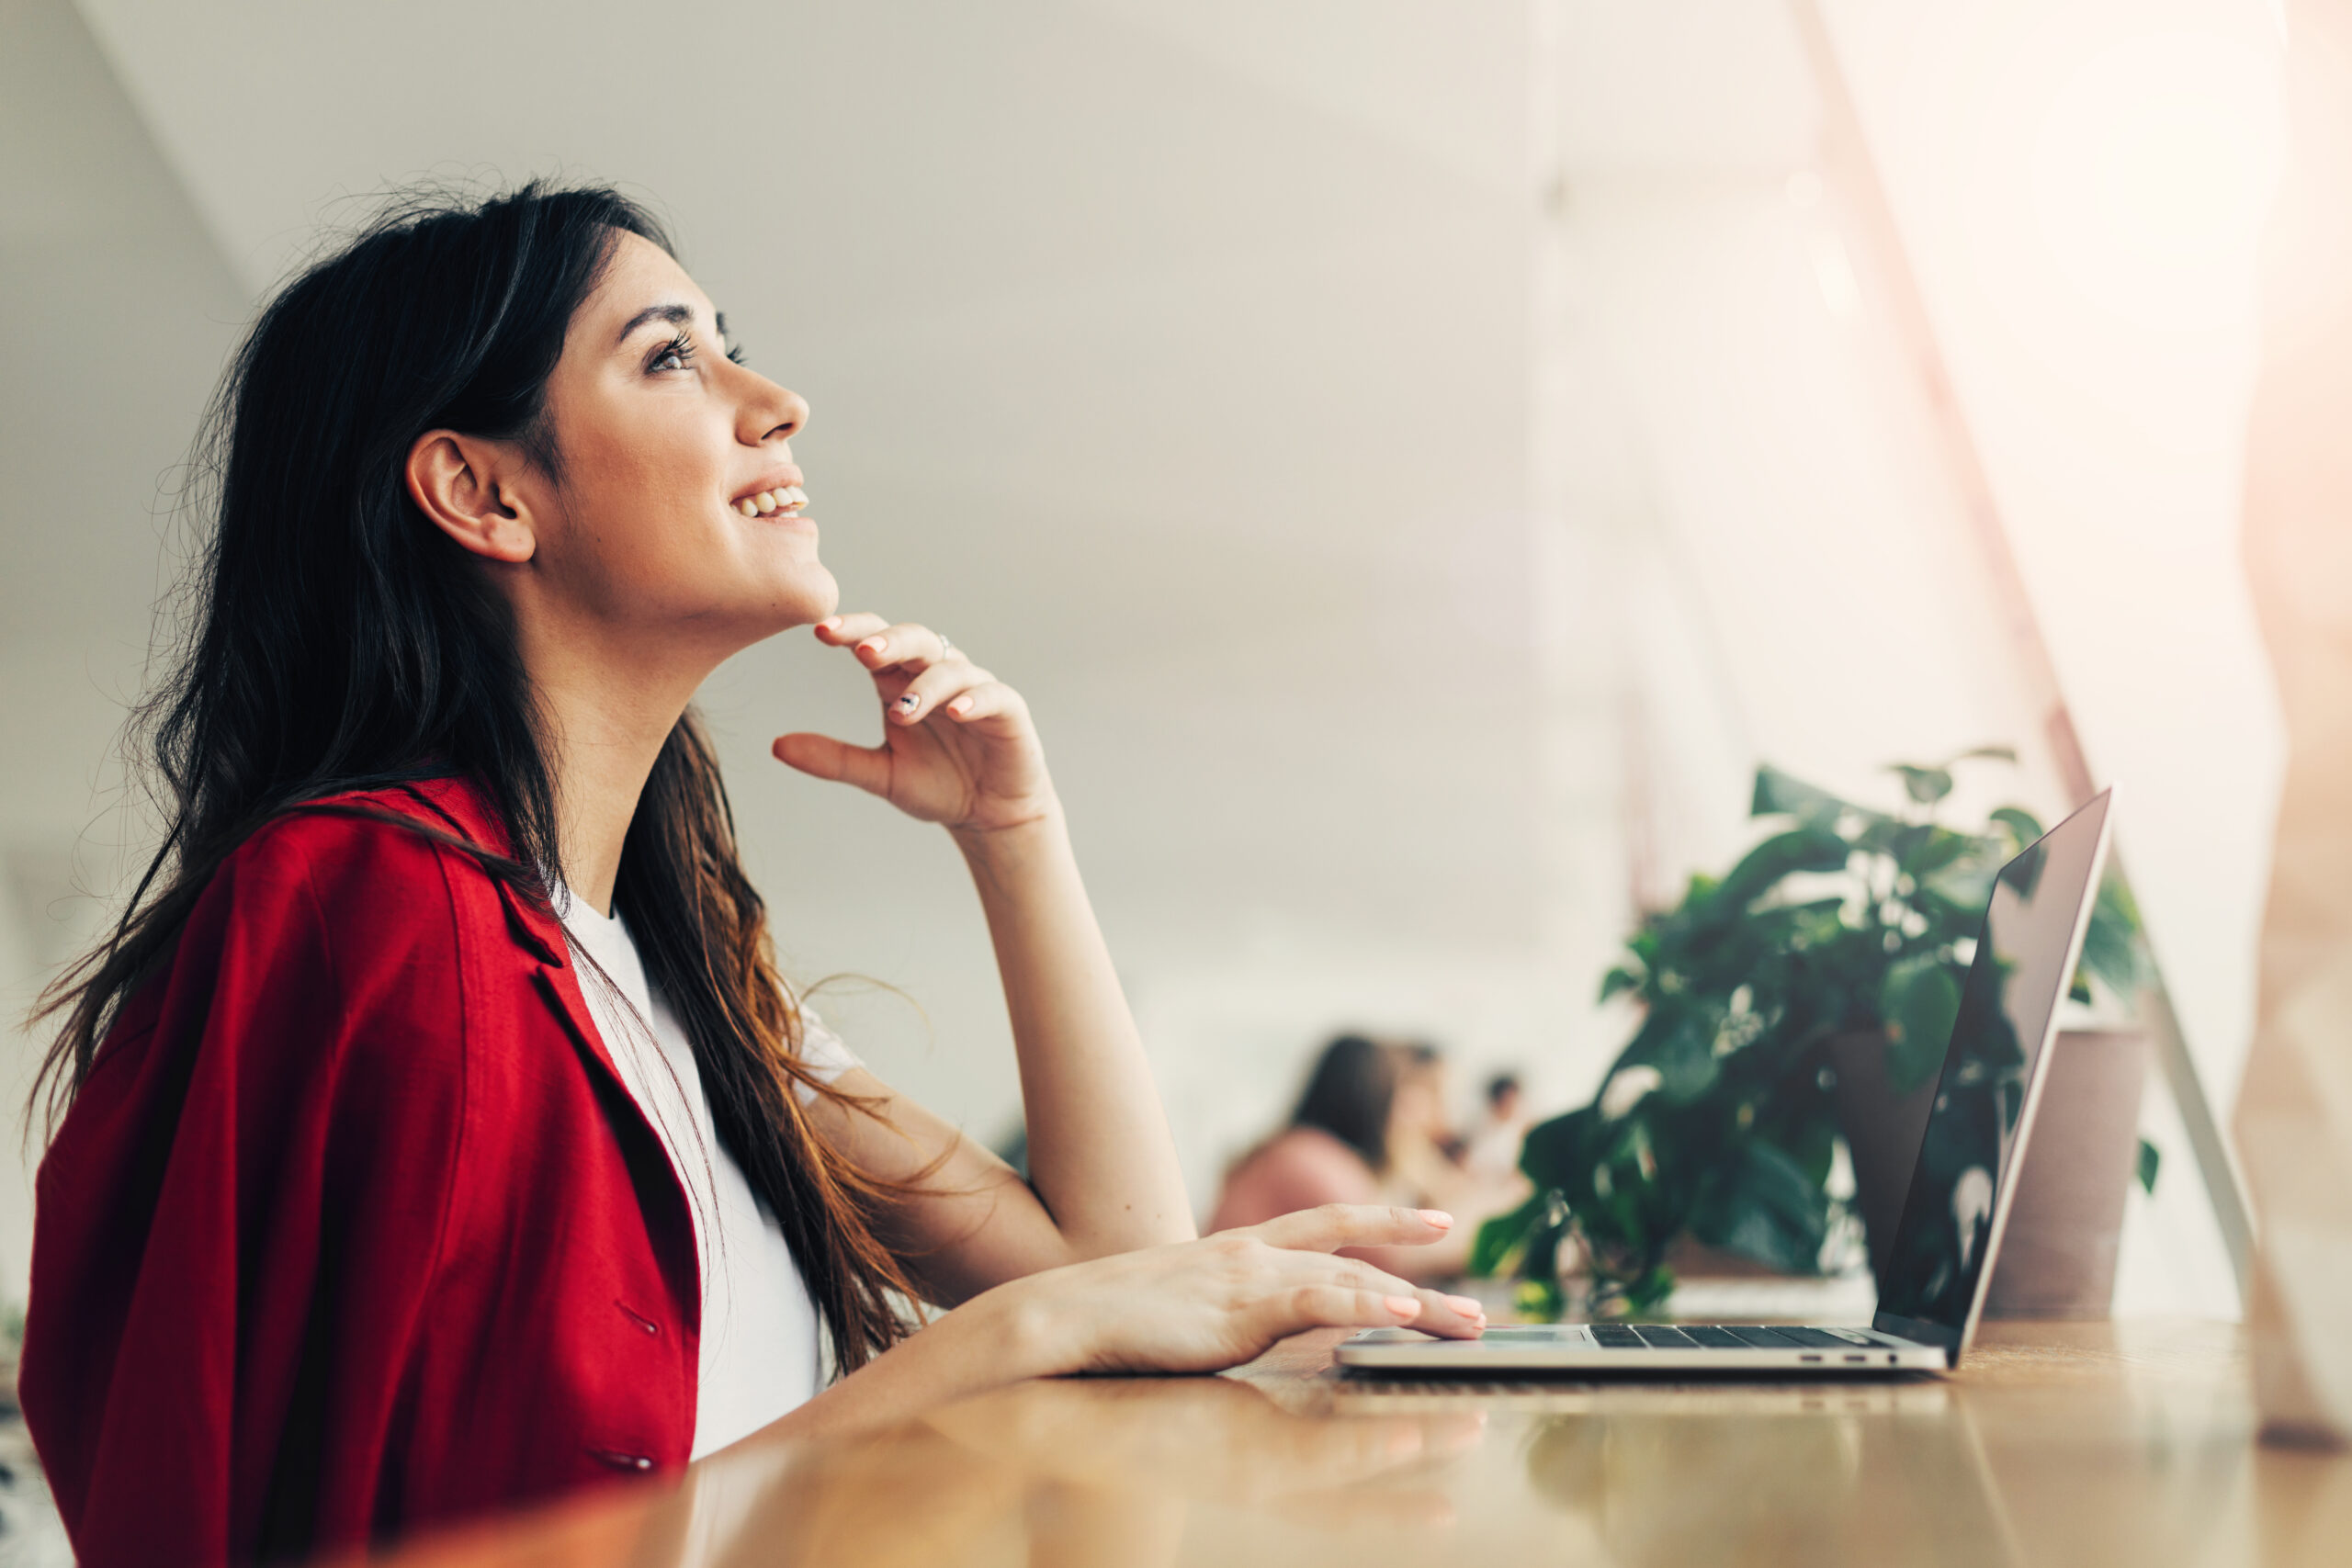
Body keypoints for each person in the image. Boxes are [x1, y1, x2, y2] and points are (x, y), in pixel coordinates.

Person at [17, 182, 1486, 1568]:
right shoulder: (372, 905)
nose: (776, 405)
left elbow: (1111, 1264)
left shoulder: (688, 984)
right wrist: (978, 1353)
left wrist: (1014, 836)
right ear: (482, 491)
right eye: (670, 358)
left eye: (736, 352)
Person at [1209, 1035, 1516, 1282]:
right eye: (1405, 1097)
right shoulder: (1308, 1158)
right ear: (1376, 1099)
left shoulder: (1307, 1151)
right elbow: (1398, 1260)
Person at [1464, 1071, 1529, 1184]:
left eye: (1514, 1101)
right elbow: (1472, 1165)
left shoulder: (1523, 1127)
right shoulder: (1479, 1129)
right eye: (1506, 1102)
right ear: (1495, 1101)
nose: (1511, 1106)